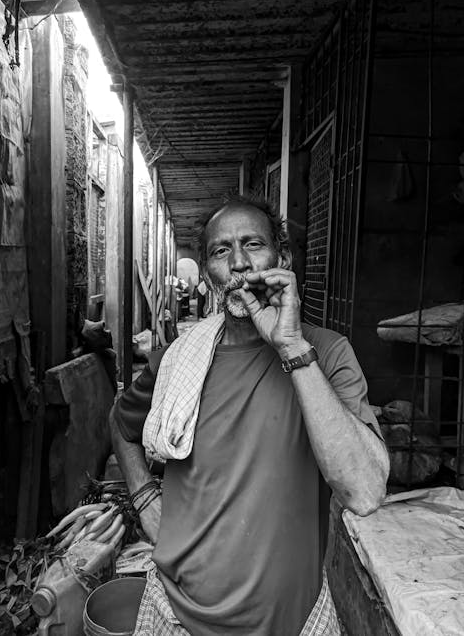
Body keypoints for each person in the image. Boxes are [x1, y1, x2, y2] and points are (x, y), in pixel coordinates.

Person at [110, 196, 389, 636]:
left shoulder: (327, 355)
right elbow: (120, 425)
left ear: (283, 258)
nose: (239, 263)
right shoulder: (177, 362)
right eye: (221, 251)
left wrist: (292, 348)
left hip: (293, 622)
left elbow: (366, 492)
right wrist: (145, 499)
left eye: (253, 244)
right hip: (174, 614)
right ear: (207, 275)